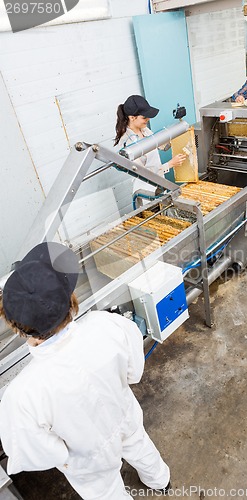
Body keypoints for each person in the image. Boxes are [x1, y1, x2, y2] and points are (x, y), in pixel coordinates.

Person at [0, 242, 170, 499]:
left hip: (87, 458)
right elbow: (134, 372)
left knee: (107, 494)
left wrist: (68, 454)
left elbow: (37, 454)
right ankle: (161, 481)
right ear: (70, 299)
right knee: (140, 446)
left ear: (17, 327)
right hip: (124, 415)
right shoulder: (107, 324)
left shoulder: (22, 395)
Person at [114, 94, 186, 201]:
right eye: (144, 117)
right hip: (145, 192)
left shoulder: (144, 130)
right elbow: (143, 173)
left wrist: (176, 132)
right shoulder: (128, 143)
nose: (147, 119)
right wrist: (170, 164)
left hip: (159, 186)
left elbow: (162, 146)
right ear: (132, 118)